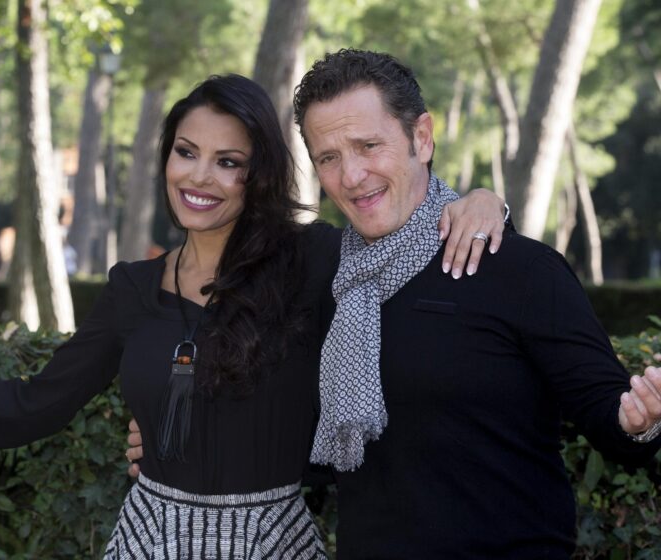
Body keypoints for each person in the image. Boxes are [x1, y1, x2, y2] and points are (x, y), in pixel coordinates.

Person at [0, 74, 505, 559]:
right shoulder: (132, 289)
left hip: (274, 542)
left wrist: (481, 200)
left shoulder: (313, 262)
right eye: (186, 151)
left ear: (258, 176)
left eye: (229, 162)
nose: (200, 177)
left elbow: (408, 246)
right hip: (147, 539)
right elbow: (33, 406)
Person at [126, 50, 661, 559]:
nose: (351, 176)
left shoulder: (518, 270)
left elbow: (612, 422)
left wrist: (640, 420)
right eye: (329, 157)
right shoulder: (323, 278)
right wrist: (177, 438)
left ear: (421, 137)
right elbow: (297, 441)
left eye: (368, 146)